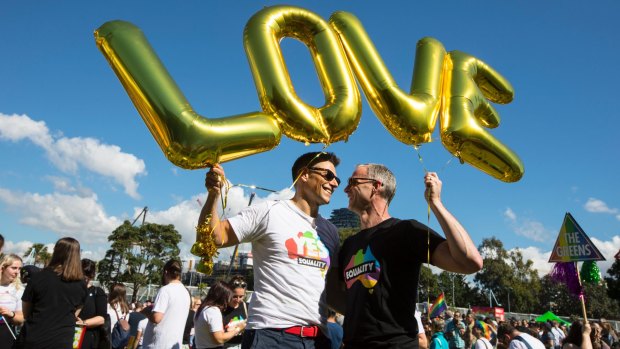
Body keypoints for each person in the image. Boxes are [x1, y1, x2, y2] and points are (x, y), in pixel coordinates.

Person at [198, 152, 342, 349]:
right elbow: (215, 236)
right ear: (304, 175)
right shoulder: (269, 211)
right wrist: (214, 194)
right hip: (272, 335)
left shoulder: (330, 231)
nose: (334, 183)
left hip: (318, 339)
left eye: (337, 179)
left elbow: (334, 290)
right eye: (328, 176)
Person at [335, 165, 483, 348]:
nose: (345, 189)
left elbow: (470, 262)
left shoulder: (406, 231)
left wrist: (435, 203)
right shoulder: (349, 244)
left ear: (376, 186)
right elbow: (345, 298)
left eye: (353, 182)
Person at [20, 237, 88, 348]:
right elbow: (75, 312)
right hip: (62, 340)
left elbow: (26, 312)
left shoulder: (38, 277)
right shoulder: (81, 284)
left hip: (34, 337)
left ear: (56, 252)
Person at [142, 259, 191, 348]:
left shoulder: (165, 290)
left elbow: (157, 318)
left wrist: (145, 311)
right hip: (174, 344)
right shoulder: (186, 293)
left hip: (159, 344)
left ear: (166, 272)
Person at [194, 281, 245, 349]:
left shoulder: (203, 308)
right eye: (228, 297)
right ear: (222, 297)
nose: (228, 300)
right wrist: (238, 328)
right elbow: (219, 339)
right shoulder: (213, 311)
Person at [77, 258, 108, 349]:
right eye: (83, 273)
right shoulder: (71, 290)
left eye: (88, 274)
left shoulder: (97, 292)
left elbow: (101, 318)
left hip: (87, 336)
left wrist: (82, 323)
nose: (85, 277)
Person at [0, 254, 24, 347]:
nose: (17, 272)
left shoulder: (18, 289)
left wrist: (11, 314)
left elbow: (20, 319)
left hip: (5, 331)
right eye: (14, 268)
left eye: (19, 269)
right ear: (3, 268)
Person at [222, 275, 249, 349]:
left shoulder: (246, 306)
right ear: (229, 292)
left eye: (241, 296)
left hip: (243, 344)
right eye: (235, 296)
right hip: (226, 345)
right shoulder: (222, 308)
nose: (238, 300)